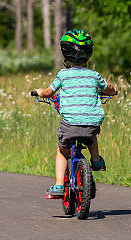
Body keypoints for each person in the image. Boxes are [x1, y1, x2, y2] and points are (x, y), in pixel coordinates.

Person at [33, 29, 117, 198]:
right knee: (91, 135)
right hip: (91, 123)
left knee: (62, 150)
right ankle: (96, 160)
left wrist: (40, 92)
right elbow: (109, 89)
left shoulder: (63, 75)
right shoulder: (94, 76)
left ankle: (58, 186)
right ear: (88, 53)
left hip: (70, 124)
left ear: (65, 52)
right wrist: (114, 90)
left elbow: (49, 92)